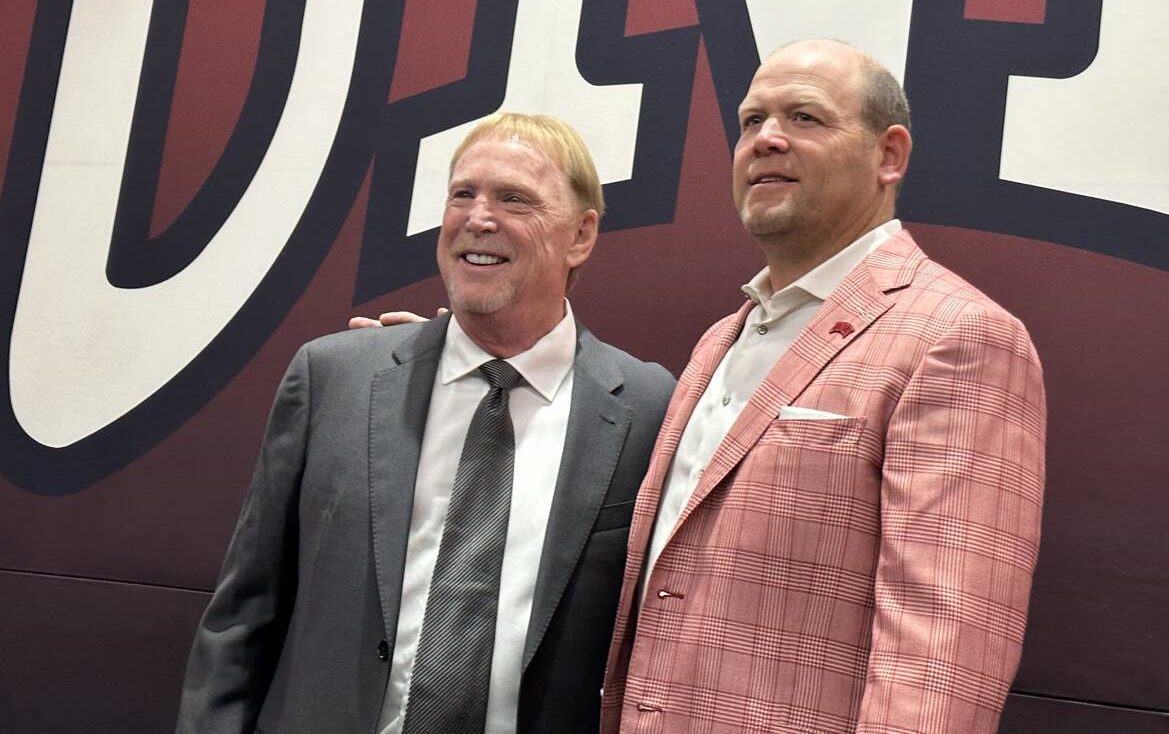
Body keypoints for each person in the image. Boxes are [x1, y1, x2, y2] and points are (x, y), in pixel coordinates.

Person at [175, 113, 676, 734]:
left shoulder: (649, 407)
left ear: (580, 234)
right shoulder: (335, 378)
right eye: (463, 193)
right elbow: (243, 616)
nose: (478, 217)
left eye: (514, 198)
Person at [599, 39, 1046, 733]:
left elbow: (941, 662)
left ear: (888, 156)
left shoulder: (958, 337)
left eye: (804, 117)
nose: (766, 139)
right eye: (751, 121)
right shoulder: (723, 338)